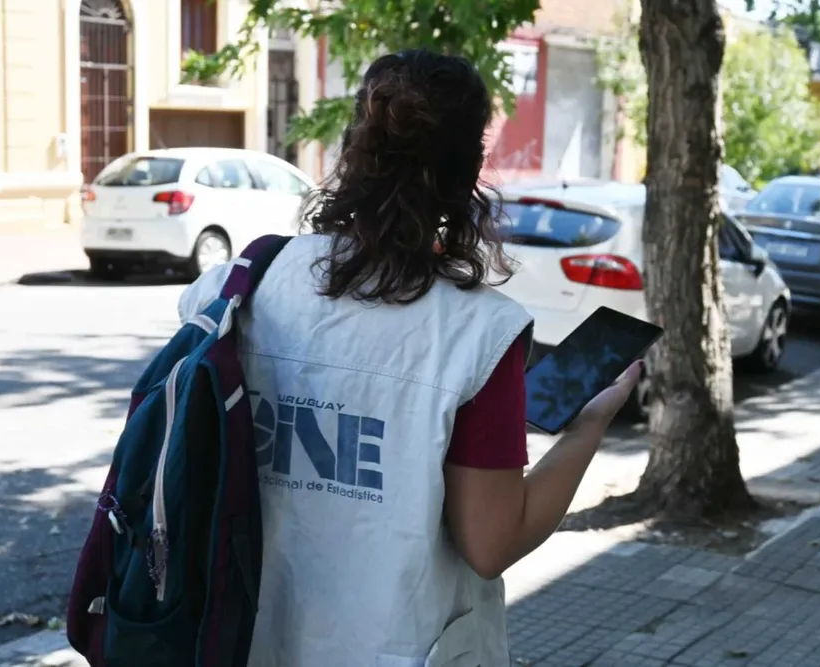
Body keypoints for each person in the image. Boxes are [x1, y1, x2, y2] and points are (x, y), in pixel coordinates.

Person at [177, 50, 641, 667]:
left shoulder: (237, 286)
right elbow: (490, 542)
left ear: (353, 150)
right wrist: (591, 421)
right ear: (470, 169)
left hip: (228, 640)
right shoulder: (481, 334)